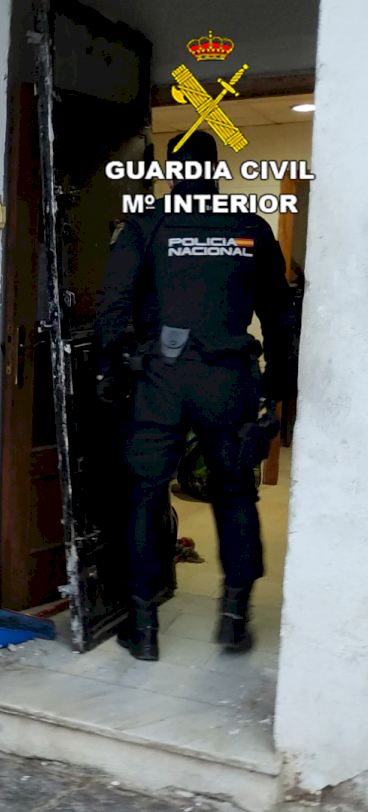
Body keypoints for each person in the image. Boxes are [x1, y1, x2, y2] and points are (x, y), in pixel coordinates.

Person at [95, 130, 291, 661]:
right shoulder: (250, 228)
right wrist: (280, 387)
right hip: (229, 380)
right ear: (216, 166)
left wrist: (112, 368)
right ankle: (234, 616)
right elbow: (279, 312)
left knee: (143, 495)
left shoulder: (146, 225)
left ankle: (144, 627)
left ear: (171, 171)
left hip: (161, 379)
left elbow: (112, 305)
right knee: (235, 494)